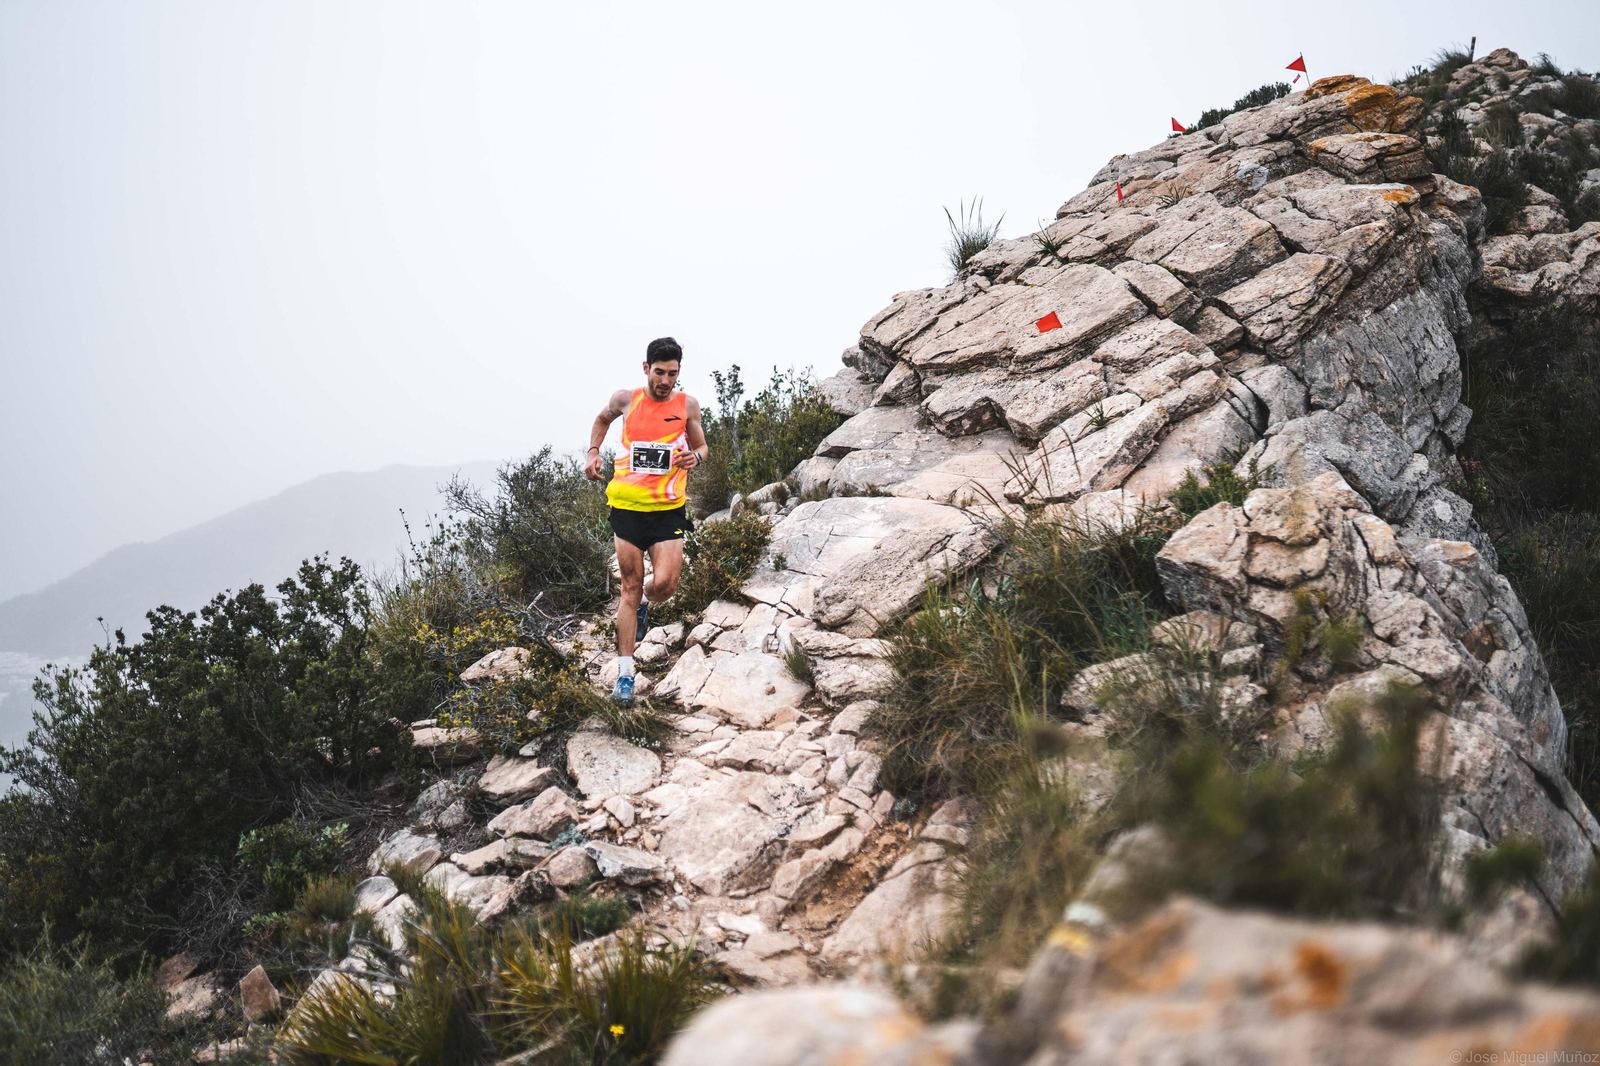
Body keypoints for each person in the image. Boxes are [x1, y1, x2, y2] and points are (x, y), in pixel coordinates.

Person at [584, 337, 707, 703]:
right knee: (630, 587)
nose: (665, 380)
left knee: (666, 585)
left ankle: (644, 604)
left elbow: (702, 446)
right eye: (659, 372)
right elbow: (601, 419)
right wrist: (592, 452)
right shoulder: (626, 399)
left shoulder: (687, 406)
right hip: (627, 507)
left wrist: (696, 458)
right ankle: (625, 676)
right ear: (646, 368)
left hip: (668, 508)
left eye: (672, 373)